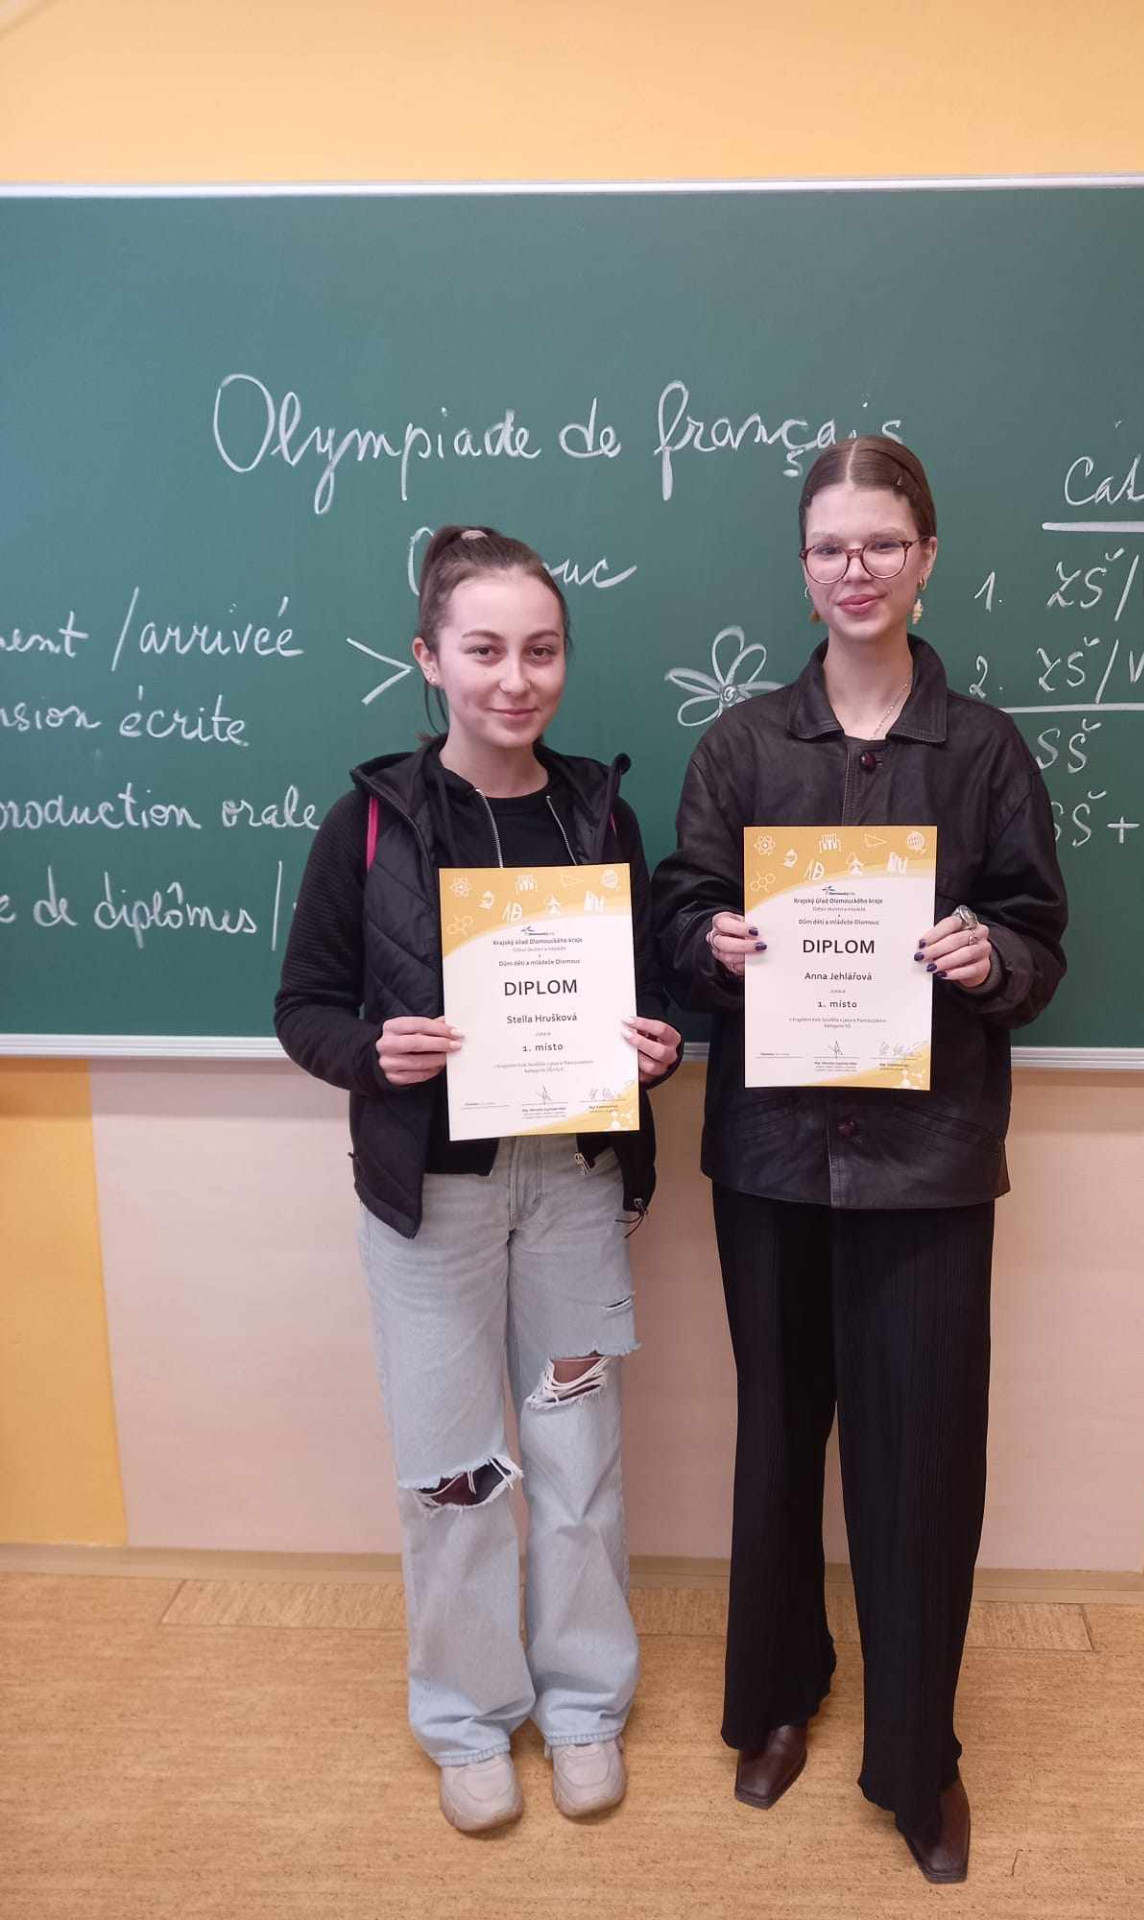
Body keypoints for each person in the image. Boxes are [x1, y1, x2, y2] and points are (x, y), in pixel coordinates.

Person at [651, 438, 1067, 1884]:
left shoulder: (986, 749)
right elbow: (679, 915)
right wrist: (709, 941)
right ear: (803, 564)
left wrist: (991, 955)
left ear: (926, 558)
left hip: (930, 1162)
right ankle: (779, 1696)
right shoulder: (742, 746)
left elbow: (1042, 938)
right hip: (773, 1155)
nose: (857, 568)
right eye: (832, 545)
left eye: (883, 542)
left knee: (922, 1464)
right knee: (779, 1443)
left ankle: (916, 1757)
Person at [275, 525, 681, 1835]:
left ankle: (584, 1707)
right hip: (430, 1206)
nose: (517, 678)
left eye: (542, 650)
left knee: (577, 1459)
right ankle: (465, 1719)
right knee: (453, 1473)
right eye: (486, 650)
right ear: (430, 659)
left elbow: (647, 995)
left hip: (571, 1190)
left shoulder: (600, 815)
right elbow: (304, 1008)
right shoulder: (368, 823)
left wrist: (659, 1045)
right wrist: (372, 1054)